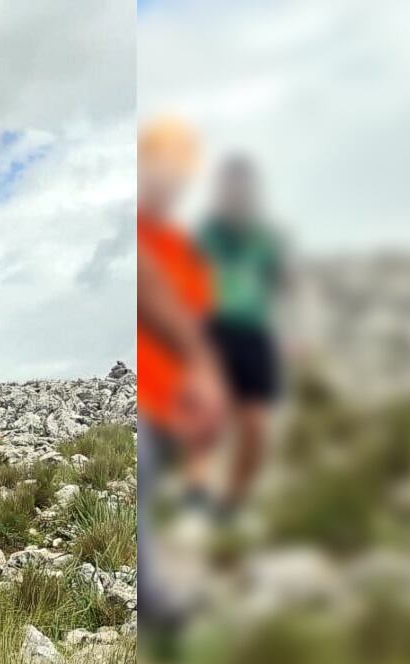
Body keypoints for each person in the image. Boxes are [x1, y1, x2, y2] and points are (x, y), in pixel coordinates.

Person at [137, 116, 229, 637]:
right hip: (156, 398)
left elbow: (205, 316)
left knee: (189, 502)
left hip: (185, 400)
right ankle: (164, 610)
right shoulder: (145, 234)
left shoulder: (184, 245)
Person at [197, 154, 286, 514]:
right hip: (215, 332)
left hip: (254, 335)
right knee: (210, 417)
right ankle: (202, 482)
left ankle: (234, 497)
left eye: (242, 187)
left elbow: (278, 287)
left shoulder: (265, 239)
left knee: (254, 423)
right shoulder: (209, 235)